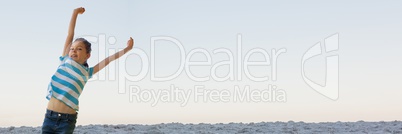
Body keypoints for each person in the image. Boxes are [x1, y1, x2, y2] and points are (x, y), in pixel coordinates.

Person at [41, 7, 134, 134]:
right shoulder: (64, 60)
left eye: (79, 49)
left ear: (87, 55)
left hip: (67, 121)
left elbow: (108, 60)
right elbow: (70, 34)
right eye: (72, 48)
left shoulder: (87, 72)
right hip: (49, 117)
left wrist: (127, 49)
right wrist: (75, 13)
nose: (73, 50)